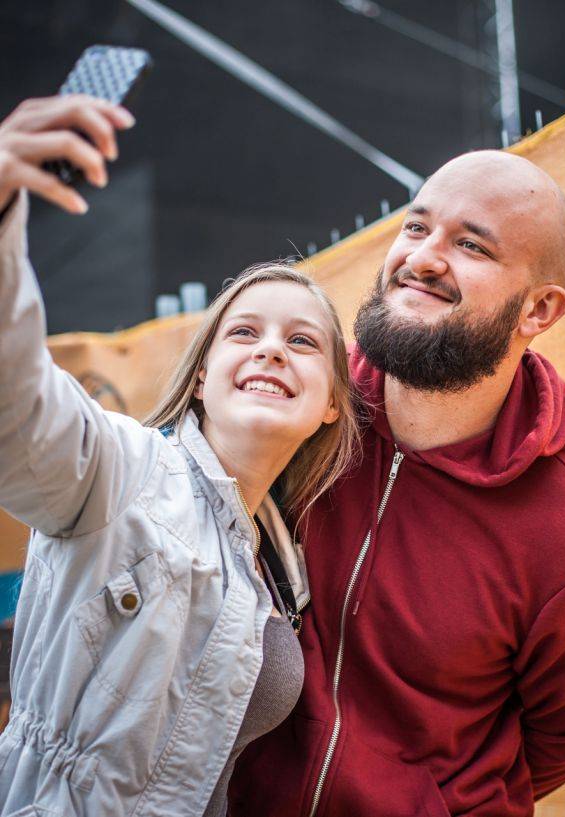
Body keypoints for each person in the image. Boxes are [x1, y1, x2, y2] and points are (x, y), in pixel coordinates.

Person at [230, 151, 565, 816]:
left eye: (471, 244)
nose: (423, 257)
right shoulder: (300, 410)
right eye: (416, 227)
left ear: (538, 309)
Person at [0, 95, 360, 816]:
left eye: (301, 341)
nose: (268, 348)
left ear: (330, 402)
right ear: (201, 376)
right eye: (244, 331)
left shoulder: (283, 569)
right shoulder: (123, 471)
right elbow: (17, 401)